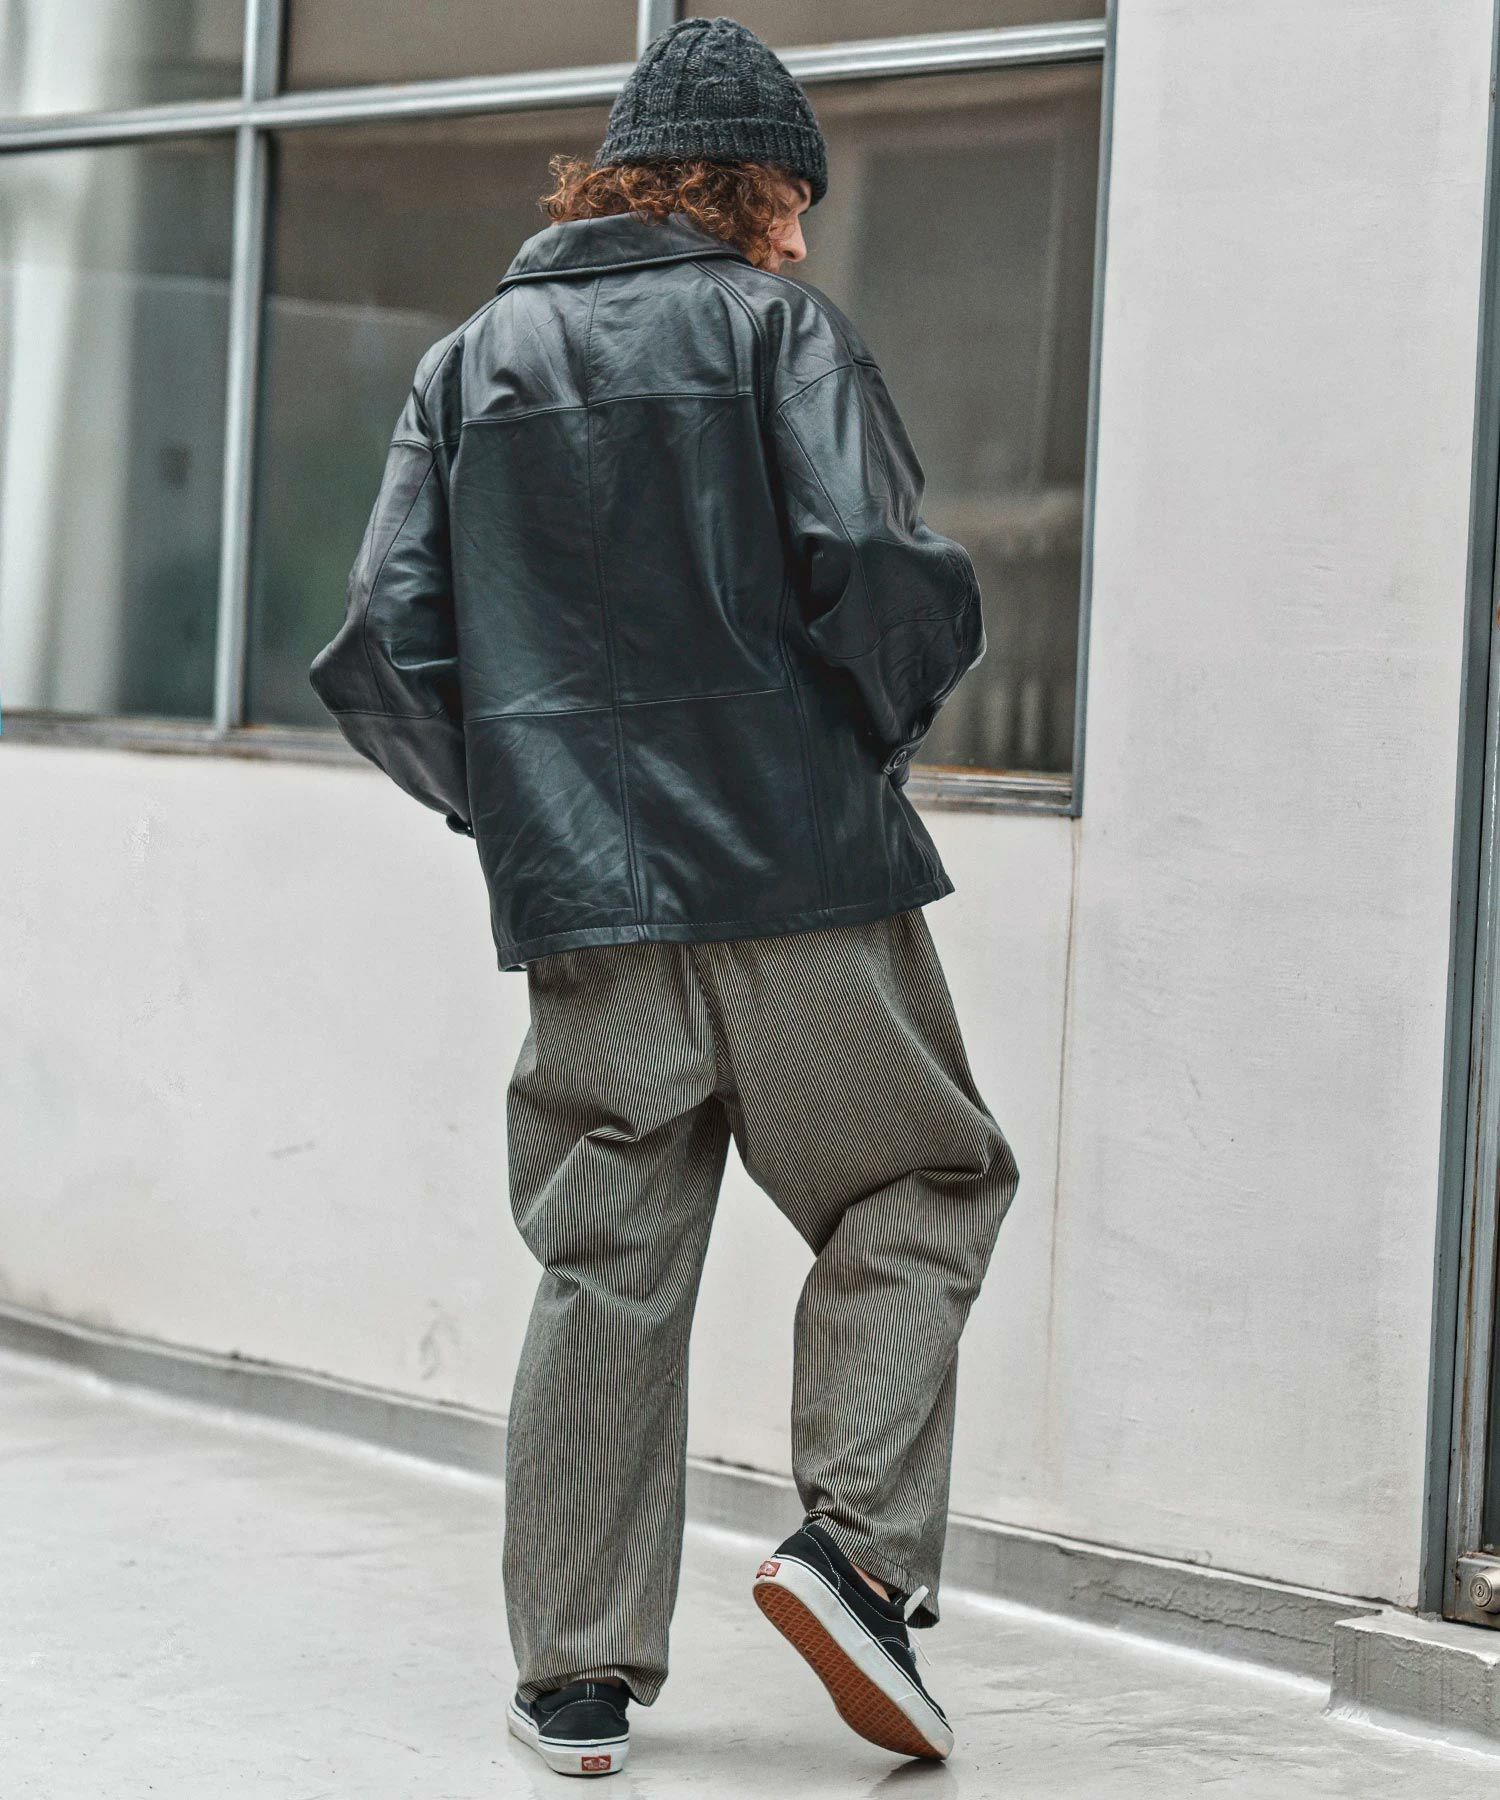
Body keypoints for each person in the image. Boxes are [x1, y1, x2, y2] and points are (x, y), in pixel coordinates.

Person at [309, 13, 1019, 1779]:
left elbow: (386, 647)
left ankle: (575, 1679)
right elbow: (883, 571)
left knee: (606, 1261)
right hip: (801, 879)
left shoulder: (466, 366)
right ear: (756, 190)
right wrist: (861, 745)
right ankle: (855, 1559)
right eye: (797, 198)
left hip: (588, 911)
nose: (802, 231)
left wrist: (533, 809)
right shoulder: (778, 330)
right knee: (924, 1181)